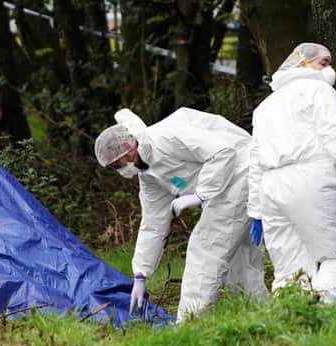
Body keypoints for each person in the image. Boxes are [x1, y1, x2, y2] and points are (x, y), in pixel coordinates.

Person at [95, 107, 268, 323]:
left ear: (127, 148)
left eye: (115, 164)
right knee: (239, 263)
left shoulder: (165, 137)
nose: (118, 170)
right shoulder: (148, 176)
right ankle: (262, 315)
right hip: (224, 188)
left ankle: (189, 322)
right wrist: (140, 274)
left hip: (241, 172)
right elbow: (153, 223)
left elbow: (223, 152)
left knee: (204, 249)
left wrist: (200, 195)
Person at [247, 42, 336, 304]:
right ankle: (323, 318)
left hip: (271, 188)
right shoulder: (318, 89)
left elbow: (255, 162)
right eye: (324, 63)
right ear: (302, 63)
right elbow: (334, 134)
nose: (330, 69)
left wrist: (256, 211)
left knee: (289, 268)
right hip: (311, 178)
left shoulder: (264, 107)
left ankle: (289, 323)